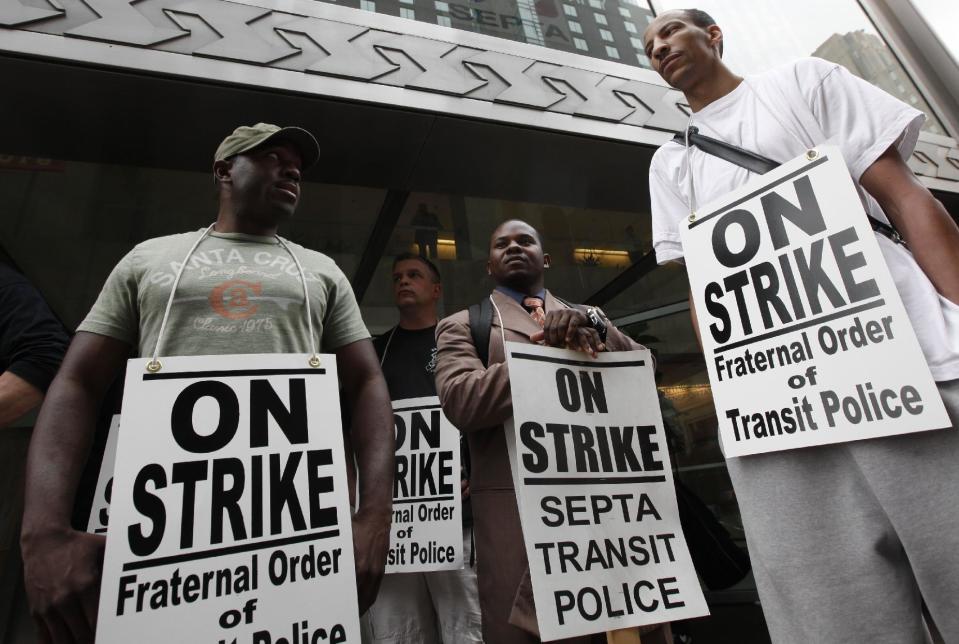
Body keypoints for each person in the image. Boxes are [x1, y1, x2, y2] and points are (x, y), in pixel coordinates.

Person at [643, 9, 959, 642]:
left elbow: (904, 197)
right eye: (648, 45)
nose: (658, 47)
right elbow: (701, 293)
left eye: (669, 31)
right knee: (833, 619)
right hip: (778, 414)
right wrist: (732, 401)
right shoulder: (668, 167)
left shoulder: (801, 82)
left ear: (713, 35)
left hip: (906, 367)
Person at [19, 123, 395, 643]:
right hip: (163, 522)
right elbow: (78, 381)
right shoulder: (149, 259)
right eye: (272, 157)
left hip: (294, 522)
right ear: (224, 170)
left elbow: (367, 384)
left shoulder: (322, 272)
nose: (292, 170)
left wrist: (375, 519)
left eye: (298, 166)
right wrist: (43, 531)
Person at [434, 220, 669, 644]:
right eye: (501, 243)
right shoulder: (463, 325)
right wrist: (545, 354)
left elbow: (646, 369)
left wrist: (596, 330)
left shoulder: (591, 319)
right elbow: (461, 400)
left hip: (613, 514)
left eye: (525, 241)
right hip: (520, 521)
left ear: (545, 258)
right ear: (488, 265)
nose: (513, 247)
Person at [364, 252, 482, 644]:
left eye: (414, 275)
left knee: (467, 627)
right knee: (399, 632)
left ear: (436, 290)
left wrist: (478, 474)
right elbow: (356, 430)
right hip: (396, 523)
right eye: (397, 276)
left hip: (455, 517)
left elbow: (483, 415)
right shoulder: (375, 354)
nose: (403, 281)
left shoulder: (461, 343)